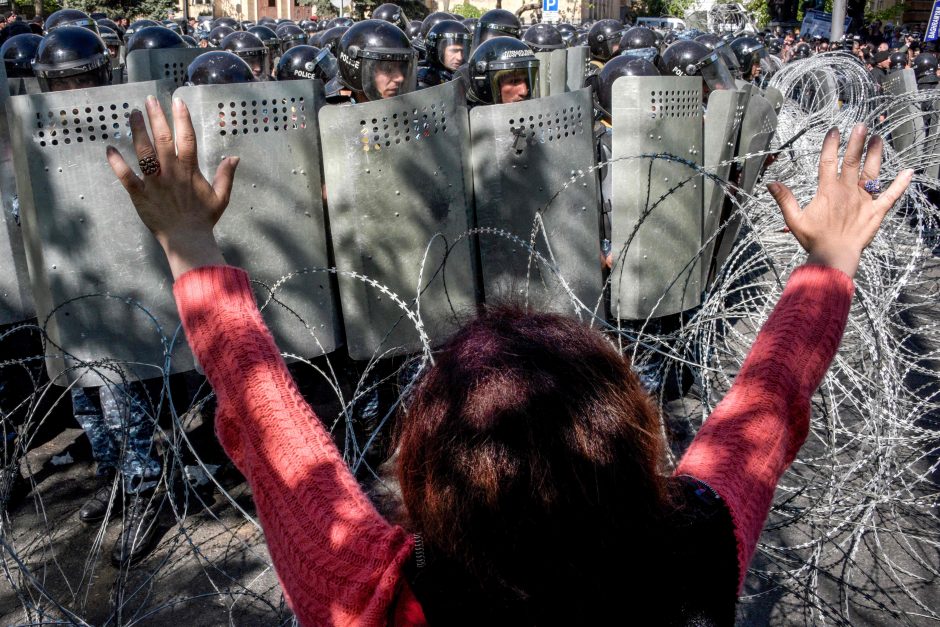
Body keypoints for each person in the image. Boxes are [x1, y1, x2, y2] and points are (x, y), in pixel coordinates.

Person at [107, 98, 912, 624]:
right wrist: (828, 266)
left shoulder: (377, 596)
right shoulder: (696, 552)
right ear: (634, 444)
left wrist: (189, 246)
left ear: (425, 472)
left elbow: (270, 424)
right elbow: (768, 403)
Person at [32, 25, 165, 567]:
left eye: (84, 80)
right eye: (63, 84)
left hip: (125, 280)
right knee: (85, 401)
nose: (75, 93)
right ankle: (113, 478)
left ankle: (144, 489)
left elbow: (156, 178)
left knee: (119, 397)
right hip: (70, 281)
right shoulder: (35, 131)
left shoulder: (126, 121)